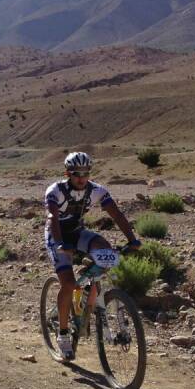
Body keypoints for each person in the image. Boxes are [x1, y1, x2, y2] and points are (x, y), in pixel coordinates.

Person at [44, 151, 140, 360]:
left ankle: (89, 295)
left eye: (85, 173)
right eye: (76, 173)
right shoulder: (56, 190)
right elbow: (52, 218)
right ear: (67, 173)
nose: (81, 177)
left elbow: (116, 214)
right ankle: (62, 334)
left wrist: (132, 240)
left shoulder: (96, 190)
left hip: (77, 232)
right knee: (68, 284)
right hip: (57, 234)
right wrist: (60, 244)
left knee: (104, 249)